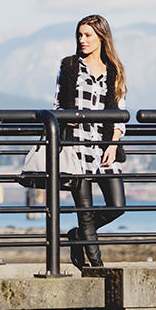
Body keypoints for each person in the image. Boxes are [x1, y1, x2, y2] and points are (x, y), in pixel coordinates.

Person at [55, 14, 127, 269]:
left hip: (105, 146)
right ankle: (97, 268)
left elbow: (120, 113)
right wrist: (67, 119)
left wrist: (114, 143)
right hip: (77, 146)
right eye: (79, 35)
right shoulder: (69, 65)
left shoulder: (115, 70)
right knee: (85, 214)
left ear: (101, 37)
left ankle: (76, 236)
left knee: (117, 205)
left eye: (87, 35)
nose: (82, 40)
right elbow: (57, 106)